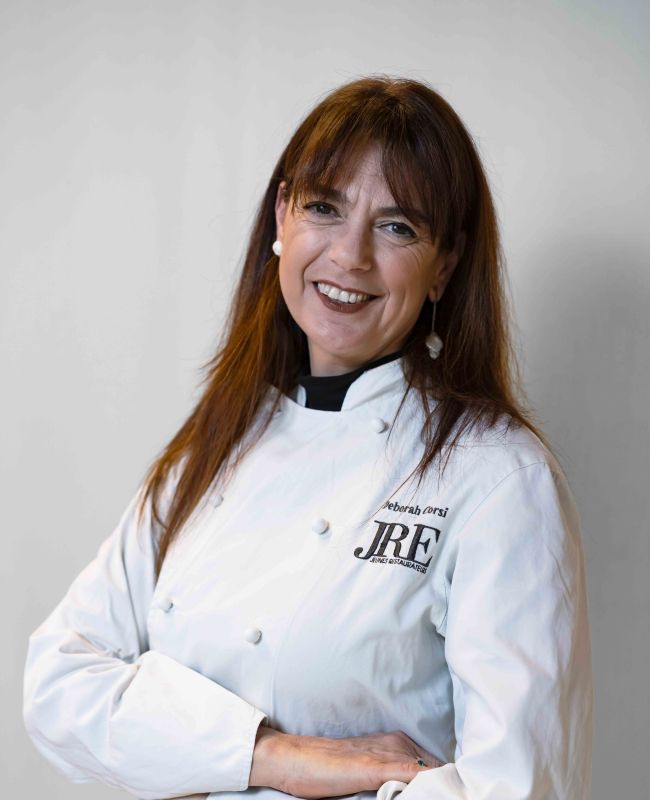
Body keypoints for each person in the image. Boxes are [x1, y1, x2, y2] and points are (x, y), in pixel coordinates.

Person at [23, 75, 593, 800]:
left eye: (397, 226)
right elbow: (58, 682)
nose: (350, 256)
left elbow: (514, 786)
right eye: (324, 207)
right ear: (281, 216)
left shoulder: (498, 478)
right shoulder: (212, 447)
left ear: (444, 265)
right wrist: (275, 756)